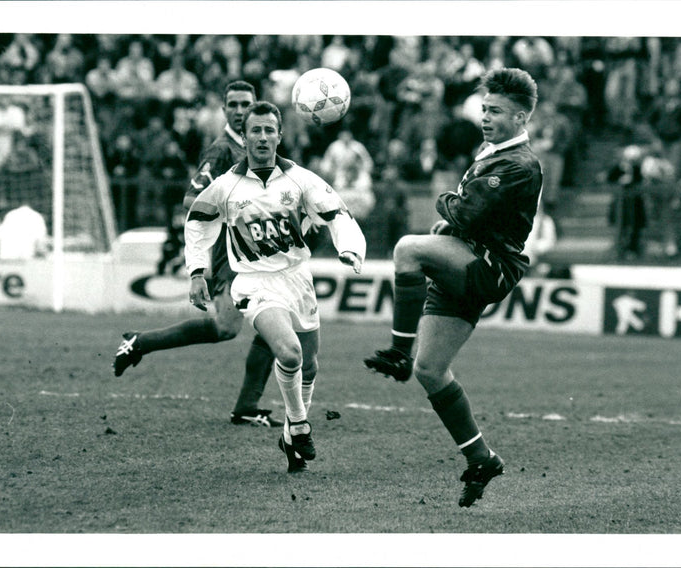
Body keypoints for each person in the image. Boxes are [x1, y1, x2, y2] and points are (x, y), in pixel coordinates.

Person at [364, 68, 543, 507]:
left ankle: (397, 352)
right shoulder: (492, 151)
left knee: (407, 249)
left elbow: (467, 213)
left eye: (496, 111)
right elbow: (468, 214)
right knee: (431, 370)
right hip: (466, 258)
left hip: (489, 266)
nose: (485, 117)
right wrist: (453, 215)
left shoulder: (519, 164)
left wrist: (447, 206)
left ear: (521, 118)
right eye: (484, 108)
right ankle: (481, 458)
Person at [185, 101, 365, 473]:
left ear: (280, 136)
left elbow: (336, 213)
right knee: (290, 352)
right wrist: (196, 271)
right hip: (253, 282)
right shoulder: (226, 186)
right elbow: (198, 222)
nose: (263, 137)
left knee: (310, 367)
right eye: (256, 130)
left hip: (298, 280)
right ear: (245, 137)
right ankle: (298, 426)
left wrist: (349, 248)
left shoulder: (302, 179)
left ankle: (288, 434)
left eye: (270, 130)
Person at [113, 81, 284, 428]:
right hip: (233, 251)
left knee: (247, 325)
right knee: (253, 322)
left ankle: (246, 405)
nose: (239, 111)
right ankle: (246, 405)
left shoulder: (254, 145)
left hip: (256, 249)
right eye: (233, 105)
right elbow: (191, 200)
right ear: (223, 110)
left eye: (245, 104)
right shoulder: (221, 151)